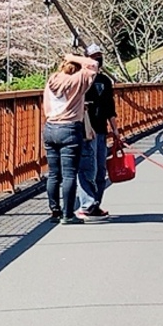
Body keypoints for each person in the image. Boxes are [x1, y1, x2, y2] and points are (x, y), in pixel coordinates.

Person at [42, 51, 100, 224]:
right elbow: (93, 64)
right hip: (69, 128)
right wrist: (73, 57)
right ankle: (68, 214)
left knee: (54, 174)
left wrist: (68, 59)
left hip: (50, 127)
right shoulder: (78, 80)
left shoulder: (53, 79)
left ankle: (55, 212)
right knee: (69, 175)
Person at [76, 44, 118, 220]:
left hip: (101, 130)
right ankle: (86, 205)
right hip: (86, 130)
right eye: (94, 56)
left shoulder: (105, 80)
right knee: (88, 169)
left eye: (99, 56)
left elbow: (110, 106)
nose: (97, 59)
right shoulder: (80, 79)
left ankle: (95, 204)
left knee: (101, 170)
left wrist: (115, 129)